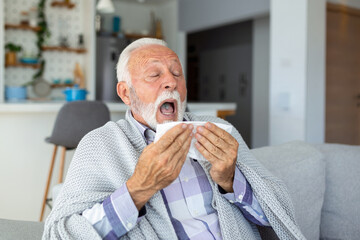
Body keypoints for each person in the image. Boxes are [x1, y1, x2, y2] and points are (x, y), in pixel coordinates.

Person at [43, 38, 305, 240]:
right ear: (125, 93)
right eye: (155, 75)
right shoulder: (100, 145)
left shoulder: (219, 129)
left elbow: (278, 215)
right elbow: (60, 234)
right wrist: (138, 189)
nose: (170, 81)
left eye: (177, 73)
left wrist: (230, 181)